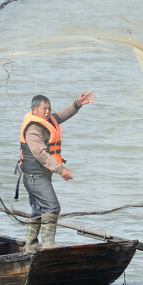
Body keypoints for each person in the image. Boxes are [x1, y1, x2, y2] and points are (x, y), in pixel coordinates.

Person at [18, 91, 95, 253]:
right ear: (34, 110)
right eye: (44, 109)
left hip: (42, 175)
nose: (47, 112)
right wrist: (60, 169)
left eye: (49, 108)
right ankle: (47, 247)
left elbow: (60, 115)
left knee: (39, 210)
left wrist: (77, 104)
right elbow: (41, 154)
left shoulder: (49, 120)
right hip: (34, 176)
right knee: (52, 207)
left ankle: (30, 247)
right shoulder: (33, 129)